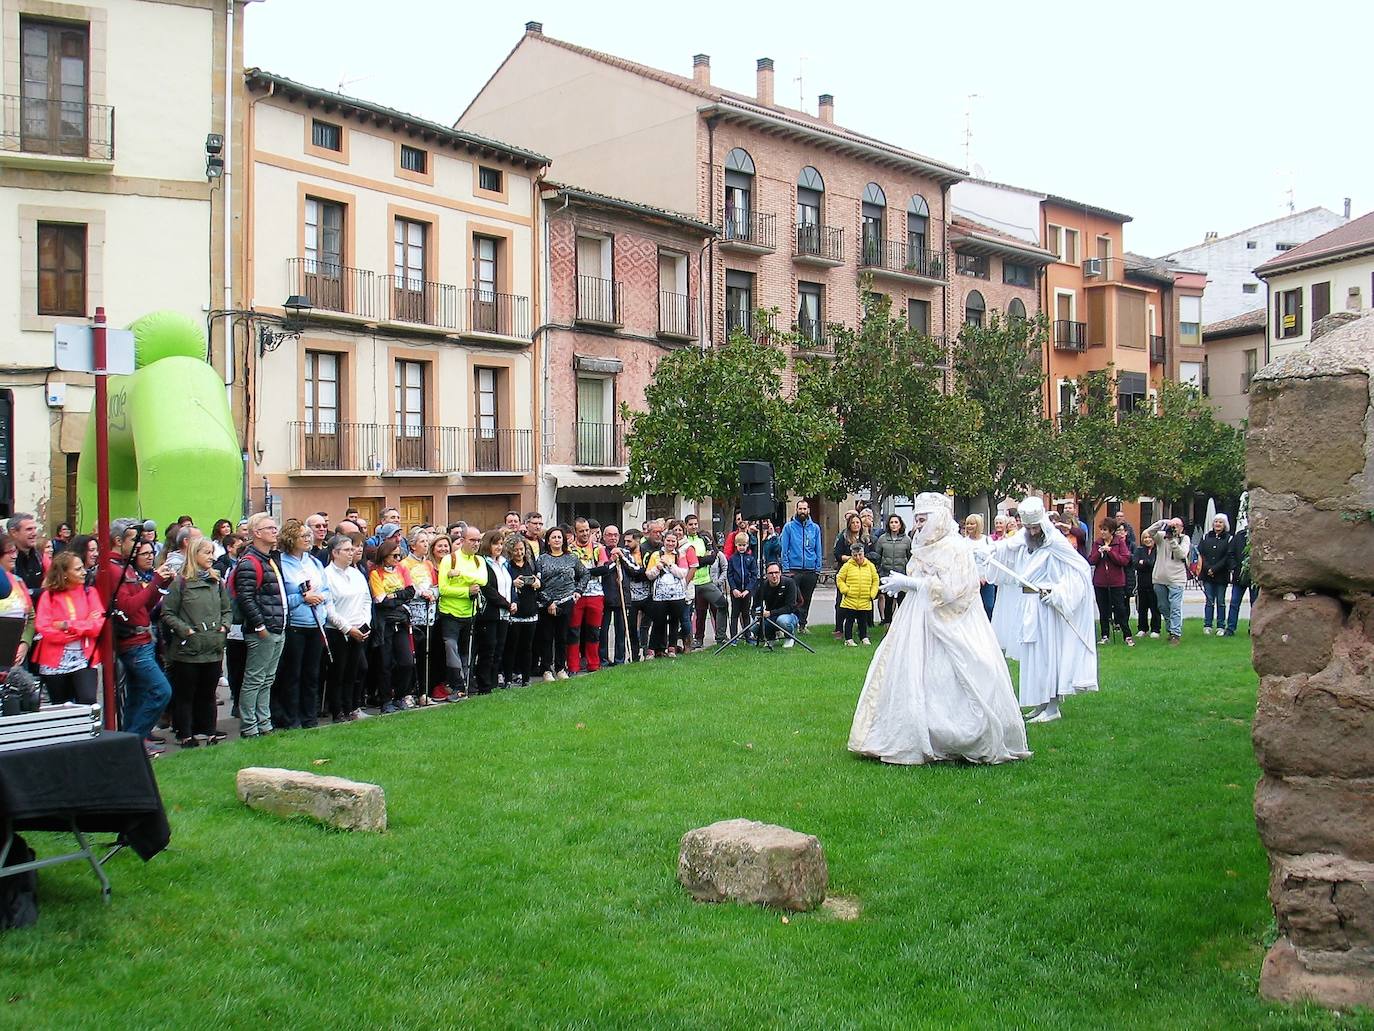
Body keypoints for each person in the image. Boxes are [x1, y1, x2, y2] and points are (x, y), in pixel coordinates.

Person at [850, 492, 1031, 764]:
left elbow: (955, 590)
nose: (919, 525)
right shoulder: (921, 546)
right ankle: (907, 731)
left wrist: (910, 585)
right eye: (917, 520)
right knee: (907, 671)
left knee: (957, 673)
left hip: (952, 622)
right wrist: (907, 584)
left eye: (923, 520)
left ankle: (953, 735)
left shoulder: (956, 548)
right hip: (916, 618)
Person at [987, 496, 1097, 723]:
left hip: (1046, 608)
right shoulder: (1025, 538)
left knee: (1048, 657)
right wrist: (986, 550)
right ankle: (1040, 703)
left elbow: (1080, 570)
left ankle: (1052, 706)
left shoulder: (1055, 541)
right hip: (1027, 606)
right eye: (1028, 527)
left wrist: (1058, 592)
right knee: (1033, 657)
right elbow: (1005, 547)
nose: (1032, 531)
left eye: (1035, 527)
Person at [161, 538, 231, 747]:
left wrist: (224, 627)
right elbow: (168, 612)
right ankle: (186, 733)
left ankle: (209, 731)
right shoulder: (181, 583)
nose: (211, 557)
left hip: (213, 646)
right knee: (186, 694)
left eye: (212, 552)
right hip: (188, 649)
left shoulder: (216, 582)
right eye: (206, 553)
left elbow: (227, 609)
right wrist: (187, 631)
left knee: (208, 693)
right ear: (194, 554)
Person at [111, 539, 176, 751]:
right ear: (118, 540)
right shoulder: (116, 571)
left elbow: (145, 606)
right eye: (135, 542)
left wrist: (161, 585)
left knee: (137, 696)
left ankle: (131, 742)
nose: (146, 554)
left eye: (149, 551)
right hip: (134, 643)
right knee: (161, 690)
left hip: (144, 640)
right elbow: (129, 608)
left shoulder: (128, 570)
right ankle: (135, 740)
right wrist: (156, 581)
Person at [232, 513, 288, 737]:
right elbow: (246, 597)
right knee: (255, 678)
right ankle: (249, 725)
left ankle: (264, 723)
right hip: (264, 629)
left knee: (267, 679)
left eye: (275, 528)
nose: (275, 531)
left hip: (276, 626)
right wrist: (259, 625)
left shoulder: (269, 558)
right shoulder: (250, 562)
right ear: (257, 533)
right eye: (270, 528)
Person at [275, 520, 331, 728]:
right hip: (294, 626)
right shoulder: (281, 563)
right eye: (303, 536)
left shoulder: (314, 562)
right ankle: (291, 718)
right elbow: (280, 598)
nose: (308, 539)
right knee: (292, 674)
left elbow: (326, 589)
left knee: (312, 674)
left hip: (316, 623)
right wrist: (303, 598)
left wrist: (319, 597)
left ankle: (310, 717)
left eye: (309, 535)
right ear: (291, 540)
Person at [33, 552, 104, 708]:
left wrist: (67, 625)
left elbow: (97, 625)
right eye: (78, 569)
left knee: (88, 701)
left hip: (85, 658)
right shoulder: (49, 596)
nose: (84, 572)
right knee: (60, 707)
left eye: (82, 568)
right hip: (54, 663)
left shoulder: (90, 593)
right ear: (64, 574)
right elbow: (44, 627)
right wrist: (82, 626)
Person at [322, 535, 371, 722]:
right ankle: (338, 711)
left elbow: (366, 599)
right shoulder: (326, 575)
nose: (352, 553)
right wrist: (347, 628)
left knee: (355, 670)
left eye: (353, 549)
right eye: (347, 550)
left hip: (359, 629)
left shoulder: (356, 574)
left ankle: (351, 707)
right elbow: (329, 608)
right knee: (338, 672)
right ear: (335, 553)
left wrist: (364, 623)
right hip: (338, 631)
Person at [438, 525, 488, 696]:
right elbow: (444, 589)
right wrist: (466, 591)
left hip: (470, 613)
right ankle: (457, 684)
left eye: (478, 541)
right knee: (451, 648)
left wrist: (460, 575)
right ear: (462, 540)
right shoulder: (449, 560)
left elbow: (482, 580)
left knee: (467, 652)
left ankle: (466, 683)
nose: (476, 544)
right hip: (450, 612)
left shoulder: (479, 560)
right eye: (472, 540)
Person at [369, 537, 416, 712]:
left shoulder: (402, 569)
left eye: (399, 556)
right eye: (394, 556)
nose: (397, 560)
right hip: (385, 624)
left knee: (406, 662)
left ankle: (400, 695)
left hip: (401, 621)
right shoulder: (376, 574)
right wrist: (399, 596)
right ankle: (386, 700)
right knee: (385, 663)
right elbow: (381, 601)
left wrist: (394, 596)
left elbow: (410, 591)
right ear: (385, 556)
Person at [535, 526, 583, 679]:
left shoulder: (572, 558)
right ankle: (547, 669)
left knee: (562, 637)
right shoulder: (541, 559)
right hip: (546, 603)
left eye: (559, 537)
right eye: (553, 537)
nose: (556, 540)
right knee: (547, 637)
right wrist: (548, 602)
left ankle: (561, 668)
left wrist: (578, 591)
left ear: (563, 540)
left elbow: (585, 574)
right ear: (548, 541)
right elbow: (538, 582)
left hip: (566, 602)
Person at [403, 530, 441, 702]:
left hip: (429, 613)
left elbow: (436, 584)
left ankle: (424, 692)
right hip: (413, 614)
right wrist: (420, 593)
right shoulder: (405, 564)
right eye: (422, 541)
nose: (426, 544)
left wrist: (432, 592)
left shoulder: (428, 564)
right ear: (412, 545)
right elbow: (406, 587)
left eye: (427, 541)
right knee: (414, 654)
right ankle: (411, 691)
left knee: (427, 653)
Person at [568, 517, 609, 673]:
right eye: (581, 531)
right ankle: (573, 665)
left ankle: (593, 664)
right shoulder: (570, 549)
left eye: (587, 530)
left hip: (596, 594)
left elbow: (604, 569)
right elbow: (572, 574)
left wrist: (583, 572)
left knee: (593, 631)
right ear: (575, 531)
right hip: (575, 595)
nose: (585, 534)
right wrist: (590, 572)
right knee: (573, 631)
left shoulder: (599, 547)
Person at [475, 529, 513, 691]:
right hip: (490, 612)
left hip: (504, 614)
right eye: (495, 543)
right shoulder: (483, 563)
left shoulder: (504, 563)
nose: (498, 547)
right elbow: (487, 588)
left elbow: (509, 584)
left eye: (501, 544)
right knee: (488, 649)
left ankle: (493, 682)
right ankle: (484, 685)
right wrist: (505, 603)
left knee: (499, 649)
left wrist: (513, 601)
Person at [645, 528, 692, 658]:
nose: (670, 544)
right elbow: (649, 575)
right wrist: (657, 567)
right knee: (658, 622)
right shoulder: (656, 555)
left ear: (677, 542)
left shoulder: (680, 555)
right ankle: (652, 649)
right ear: (664, 541)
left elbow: (683, 573)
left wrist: (670, 565)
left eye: (673, 541)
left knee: (674, 621)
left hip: (677, 595)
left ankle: (672, 647)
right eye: (668, 541)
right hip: (660, 596)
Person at [1144, 517, 1190, 645]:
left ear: (1182, 528)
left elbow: (1181, 555)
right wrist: (1162, 523)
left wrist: (1172, 541)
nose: (1174, 528)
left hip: (1177, 578)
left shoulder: (1184, 539)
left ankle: (1176, 633)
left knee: (1175, 606)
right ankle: (1170, 628)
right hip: (1159, 578)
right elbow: (1149, 532)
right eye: (1173, 525)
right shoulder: (1162, 536)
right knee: (1163, 606)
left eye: (1177, 525)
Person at [1088, 518, 1134, 647]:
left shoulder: (1119, 543)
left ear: (1112, 531)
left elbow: (1124, 560)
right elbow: (1091, 560)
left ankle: (1127, 635)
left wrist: (1111, 552)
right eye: (1101, 529)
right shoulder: (1097, 543)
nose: (1102, 532)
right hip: (1100, 582)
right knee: (1103, 610)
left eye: (1105, 530)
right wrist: (1099, 552)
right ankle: (1104, 635)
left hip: (1116, 582)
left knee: (1120, 609)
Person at [779, 500, 822, 633]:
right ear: (796, 510)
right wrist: (785, 568)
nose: (802, 511)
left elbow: (818, 549)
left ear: (808, 510)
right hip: (793, 570)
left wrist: (817, 568)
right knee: (794, 599)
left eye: (804, 509)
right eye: (800, 509)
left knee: (807, 599)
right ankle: (792, 623)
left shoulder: (815, 528)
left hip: (810, 570)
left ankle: (803, 624)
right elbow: (784, 549)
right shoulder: (789, 527)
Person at [503, 535, 540, 685]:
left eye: (521, 549)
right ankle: (508, 678)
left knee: (527, 647)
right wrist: (513, 583)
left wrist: (537, 582)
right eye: (516, 550)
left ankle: (526, 678)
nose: (519, 553)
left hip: (530, 608)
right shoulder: (507, 566)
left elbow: (538, 579)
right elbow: (503, 584)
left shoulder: (531, 563)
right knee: (511, 646)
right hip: (515, 610)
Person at [682, 514, 721, 651]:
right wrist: (699, 560)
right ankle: (698, 638)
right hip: (692, 582)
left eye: (695, 524)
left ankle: (720, 636)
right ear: (686, 525)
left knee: (718, 606)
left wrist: (697, 561)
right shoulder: (684, 541)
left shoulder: (703, 538)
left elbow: (712, 557)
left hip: (706, 580)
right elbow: (687, 561)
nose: (694, 527)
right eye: (691, 524)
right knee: (699, 612)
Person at [832, 511, 871, 639]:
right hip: (846, 573)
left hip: (862, 575)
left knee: (862, 603)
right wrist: (852, 558)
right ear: (849, 524)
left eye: (858, 522)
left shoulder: (865, 539)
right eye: (853, 523)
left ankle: (862, 630)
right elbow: (837, 554)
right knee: (841, 602)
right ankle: (839, 628)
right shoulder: (843, 538)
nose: (856, 525)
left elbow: (869, 555)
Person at [870, 515, 912, 626]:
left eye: (896, 522)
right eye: (891, 522)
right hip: (886, 574)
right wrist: (879, 571)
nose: (894, 524)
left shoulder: (907, 540)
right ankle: (887, 624)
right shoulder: (882, 539)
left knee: (902, 601)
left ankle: (903, 625)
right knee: (888, 601)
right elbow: (877, 556)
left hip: (902, 575)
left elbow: (910, 557)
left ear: (900, 524)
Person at [0, 538, 35, 666]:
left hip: (17, 655)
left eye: (15, 551)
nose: (14, 556)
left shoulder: (18, 581)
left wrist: (25, 643)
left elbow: (31, 616)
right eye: (9, 552)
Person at [835, 542, 879, 646]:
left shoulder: (870, 566)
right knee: (849, 620)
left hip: (865, 598)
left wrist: (872, 594)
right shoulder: (847, 566)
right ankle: (848, 639)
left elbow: (875, 580)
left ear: (863, 554)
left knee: (863, 621)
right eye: (855, 555)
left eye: (860, 555)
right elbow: (839, 578)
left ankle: (864, 637)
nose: (858, 557)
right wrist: (845, 590)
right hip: (850, 598)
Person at [1197, 514, 1234, 635]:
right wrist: (1208, 568)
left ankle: (1221, 626)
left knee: (1221, 601)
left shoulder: (1228, 539)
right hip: (1207, 575)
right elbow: (1202, 554)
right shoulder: (1206, 537)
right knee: (1209, 601)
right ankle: (1207, 625)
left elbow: (1227, 557)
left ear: (1225, 525)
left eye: (1220, 522)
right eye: (1216, 522)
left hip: (1221, 575)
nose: (1218, 524)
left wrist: (1215, 569)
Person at [753, 561, 800, 647]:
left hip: (789, 615)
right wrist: (758, 613)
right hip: (770, 616)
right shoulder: (763, 586)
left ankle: (790, 637)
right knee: (754, 627)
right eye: (770, 573)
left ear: (780, 573)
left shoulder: (789, 583)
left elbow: (790, 607)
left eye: (776, 572)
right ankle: (771, 638)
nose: (774, 576)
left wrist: (770, 613)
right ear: (766, 575)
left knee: (782, 620)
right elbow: (755, 604)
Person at [726, 530, 759, 643]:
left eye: (744, 545)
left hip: (746, 591)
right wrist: (734, 588)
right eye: (740, 545)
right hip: (736, 591)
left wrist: (748, 589)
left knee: (746, 614)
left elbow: (754, 575)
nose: (742, 548)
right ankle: (734, 638)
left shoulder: (750, 559)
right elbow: (729, 575)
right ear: (736, 545)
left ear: (747, 545)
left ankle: (747, 636)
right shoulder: (732, 559)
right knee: (734, 614)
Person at [963, 514, 996, 620]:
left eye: (972, 523)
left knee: (988, 606)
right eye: (967, 524)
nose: (969, 526)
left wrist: (985, 577)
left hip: (986, 580)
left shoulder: (988, 541)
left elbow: (992, 561)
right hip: (970, 581)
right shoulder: (963, 542)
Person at [1225, 520, 1254, 637]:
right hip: (1239, 576)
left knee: (1255, 604)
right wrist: (1235, 567)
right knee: (1234, 603)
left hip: (1254, 577)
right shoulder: (1239, 536)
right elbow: (1230, 553)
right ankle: (1230, 628)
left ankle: (1253, 628)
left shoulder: (1259, 536)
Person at [8, 513, 46, 602]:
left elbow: (51, 579)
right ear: (14, 532)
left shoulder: (39, 556)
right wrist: (41, 591)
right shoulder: (5, 559)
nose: (34, 533)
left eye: (34, 529)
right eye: (29, 529)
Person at [1132, 531, 1162, 639]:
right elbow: (1135, 563)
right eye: (1145, 537)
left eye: (1150, 537)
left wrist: (1144, 562)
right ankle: (1142, 628)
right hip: (1142, 584)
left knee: (1155, 608)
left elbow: (1155, 563)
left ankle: (1155, 629)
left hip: (1155, 583)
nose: (1147, 539)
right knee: (1142, 608)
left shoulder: (1158, 550)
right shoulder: (1139, 550)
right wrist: (1147, 563)